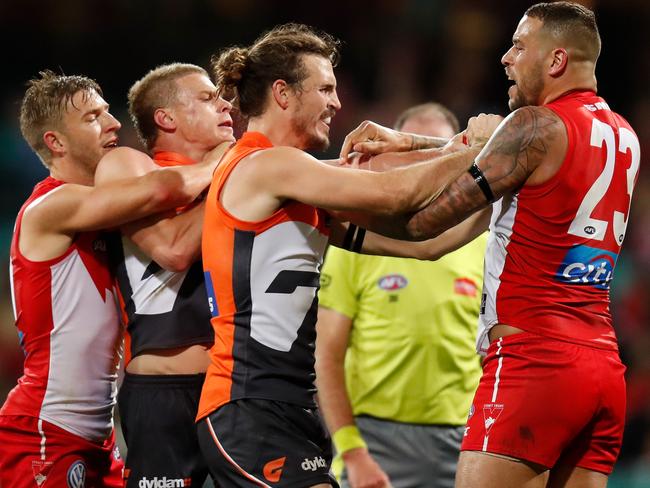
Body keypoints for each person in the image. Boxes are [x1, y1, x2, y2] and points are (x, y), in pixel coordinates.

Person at [339, 3, 640, 487]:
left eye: (519, 46)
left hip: (534, 364)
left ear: (556, 61)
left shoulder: (535, 127)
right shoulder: (624, 135)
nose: (505, 57)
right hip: (603, 369)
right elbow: (496, 172)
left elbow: (421, 226)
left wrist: (321, 217)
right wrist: (407, 141)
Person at [197, 23, 500, 488]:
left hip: (291, 408)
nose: (337, 103)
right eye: (325, 88)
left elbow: (425, 241)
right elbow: (392, 191)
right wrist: (476, 148)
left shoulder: (299, 196)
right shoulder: (263, 164)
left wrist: (498, 186)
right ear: (283, 93)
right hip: (247, 406)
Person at [0, 71, 226, 488]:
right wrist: (224, 161)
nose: (113, 123)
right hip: (43, 430)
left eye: (107, 111)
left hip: (100, 435)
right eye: (92, 117)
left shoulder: (108, 215)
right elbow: (165, 189)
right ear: (56, 143)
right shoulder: (52, 205)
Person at [315, 103, 486, 488]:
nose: (420, 167)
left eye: (432, 156)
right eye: (408, 156)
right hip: (374, 439)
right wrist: (352, 451)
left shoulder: (481, 237)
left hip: (465, 437)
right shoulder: (355, 243)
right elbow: (326, 354)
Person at [92, 63, 234, 488]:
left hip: (234, 387)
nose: (225, 105)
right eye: (208, 98)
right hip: (165, 393)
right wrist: (221, 166)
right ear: (166, 118)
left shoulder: (233, 173)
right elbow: (173, 249)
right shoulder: (128, 167)